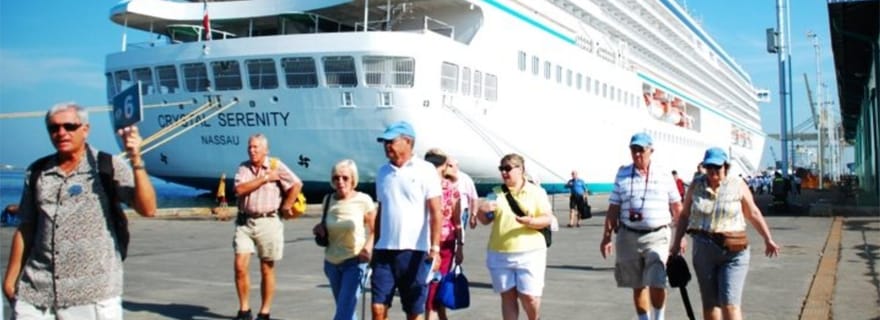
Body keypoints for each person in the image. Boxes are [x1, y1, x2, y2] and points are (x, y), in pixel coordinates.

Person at [3, 102, 157, 319]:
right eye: (54, 128)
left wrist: (136, 160)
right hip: (36, 291)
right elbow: (27, 226)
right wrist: (10, 279)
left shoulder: (107, 165)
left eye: (69, 126)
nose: (61, 133)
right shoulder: (37, 171)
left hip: (91, 295)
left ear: (85, 129)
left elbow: (148, 209)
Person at [670, 147, 780, 320]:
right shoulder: (697, 184)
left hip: (734, 252)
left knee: (730, 304)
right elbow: (684, 215)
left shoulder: (737, 184)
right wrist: (676, 244)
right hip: (703, 250)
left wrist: (768, 238)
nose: (713, 172)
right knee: (710, 305)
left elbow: (753, 213)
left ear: (726, 167)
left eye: (717, 168)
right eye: (709, 167)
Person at [599, 132, 683, 320]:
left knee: (657, 281)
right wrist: (606, 237)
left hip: (658, 235)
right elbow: (613, 207)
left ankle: (659, 317)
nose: (637, 154)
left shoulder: (664, 173)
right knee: (637, 284)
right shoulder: (622, 173)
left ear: (650, 150)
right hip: (628, 235)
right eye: (633, 149)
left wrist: (681, 236)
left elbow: (677, 206)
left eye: (641, 150)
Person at [372, 121, 443, 320]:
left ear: (408, 142)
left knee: (413, 310)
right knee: (378, 307)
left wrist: (435, 249)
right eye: (384, 142)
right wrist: (374, 246)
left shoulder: (426, 170)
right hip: (385, 250)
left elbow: (436, 211)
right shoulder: (382, 172)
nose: (386, 146)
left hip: (415, 251)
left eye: (391, 141)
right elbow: (382, 210)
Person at [232, 134, 303, 320]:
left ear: (265, 150)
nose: (252, 150)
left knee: (267, 267)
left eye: (256, 147)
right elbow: (239, 189)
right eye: (250, 147)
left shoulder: (275, 166)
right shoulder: (244, 167)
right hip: (245, 221)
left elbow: (296, 183)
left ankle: (264, 312)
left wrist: (287, 205)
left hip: (268, 220)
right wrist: (264, 179)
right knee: (240, 265)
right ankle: (244, 309)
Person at [476, 153, 552, 320]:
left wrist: (530, 221)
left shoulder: (536, 192)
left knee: (529, 297)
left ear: (521, 169)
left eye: (508, 168)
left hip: (531, 252)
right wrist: (481, 211)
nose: (504, 172)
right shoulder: (495, 193)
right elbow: (484, 221)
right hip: (500, 252)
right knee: (508, 296)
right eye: (501, 169)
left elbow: (547, 219)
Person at [313, 159, 376, 320]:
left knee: (343, 313)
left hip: (354, 262)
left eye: (345, 178)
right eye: (336, 178)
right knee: (347, 310)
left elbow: (376, 230)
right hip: (331, 263)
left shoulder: (363, 200)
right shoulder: (328, 200)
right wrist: (319, 229)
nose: (340, 182)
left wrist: (367, 248)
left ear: (353, 179)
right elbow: (325, 224)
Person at [422, 149, 463, 320]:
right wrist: (460, 246)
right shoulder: (451, 189)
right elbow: (458, 221)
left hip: (425, 241)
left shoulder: (421, 185)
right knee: (436, 288)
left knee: (430, 290)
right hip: (446, 241)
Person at [449, 159, 478, 230]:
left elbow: (474, 197)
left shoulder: (465, 178)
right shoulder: (442, 178)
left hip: (461, 213)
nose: (448, 168)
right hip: (446, 213)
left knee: (459, 236)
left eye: (450, 166)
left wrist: (473, 215)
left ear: (457, 166)